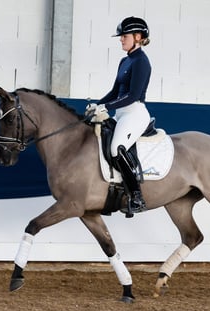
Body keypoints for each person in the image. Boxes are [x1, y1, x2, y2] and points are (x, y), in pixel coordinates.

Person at [86, 16, 152, 214]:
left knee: (116, 148)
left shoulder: (141, 62)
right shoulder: (125, 61)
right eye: (121, 37)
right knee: (100, 141)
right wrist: (97, 104)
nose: (121, 40)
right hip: (121, 112)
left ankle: (136, 196)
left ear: (138, 37)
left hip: (135, 113)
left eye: (124, 36)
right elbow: (115, 92)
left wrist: (105, 107)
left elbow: (132, 96)